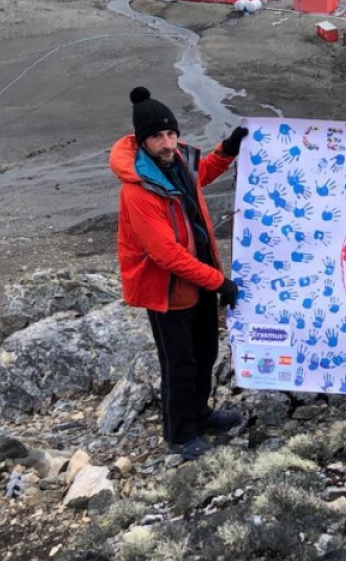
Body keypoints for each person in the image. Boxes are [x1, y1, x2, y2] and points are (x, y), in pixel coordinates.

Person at [109, 86, 248, 460]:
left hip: (199, 280)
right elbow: (166, 255)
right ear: (143, 141)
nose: (168, 143)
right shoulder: (138, 190)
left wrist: (227, 150)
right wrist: (220, 282)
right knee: (179, 363)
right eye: (158, 136)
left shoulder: (178, 165)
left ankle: (200, 415)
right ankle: (180, 434)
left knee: (205, 352)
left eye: (171, 133)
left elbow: (202, 176)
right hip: (168, 290)